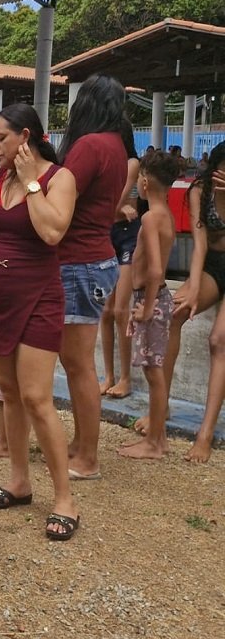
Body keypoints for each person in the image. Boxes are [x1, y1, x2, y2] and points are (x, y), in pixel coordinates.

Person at [0, 103, 80, 541]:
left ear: (26, 136)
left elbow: (52, 233)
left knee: (37, 397)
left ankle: (65, 499)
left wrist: (30, 184)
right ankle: (20, 481)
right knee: (9, 394)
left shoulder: (60, 179)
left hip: (40, 296)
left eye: (1, 138)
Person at [56, 76, 129, 482]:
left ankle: (88, 456)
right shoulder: (116, 145)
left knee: (78, 364)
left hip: (79, 261)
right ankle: (81, 443)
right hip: (97, 258)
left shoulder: (89, 146)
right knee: (76, 362)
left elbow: (61, 196)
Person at [146, 142, 225, 463]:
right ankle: (160, 407)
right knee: (174, 312)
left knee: (219, 340)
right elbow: (200, 243)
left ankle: (205, 433)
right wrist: (192, 285)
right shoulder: (200, 190)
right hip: (213, 267)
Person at [118, 150, 180, 460]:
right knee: (153, 371)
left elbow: (155, 268)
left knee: (154, 373)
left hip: (151, 299)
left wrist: (145, 306)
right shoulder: (166, 213)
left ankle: (154, 442)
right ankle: (160, 437)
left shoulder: (151, 216)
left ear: (143, 181)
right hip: (153, 298)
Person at [99, 121, 142, 399]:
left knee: (120, 310)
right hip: (108, 232)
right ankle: (110, 375)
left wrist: (112, 208)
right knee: (105, 311)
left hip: (127, 235)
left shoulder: (131, 162)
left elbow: (112, 201)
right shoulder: (105, 161)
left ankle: (125, 377)